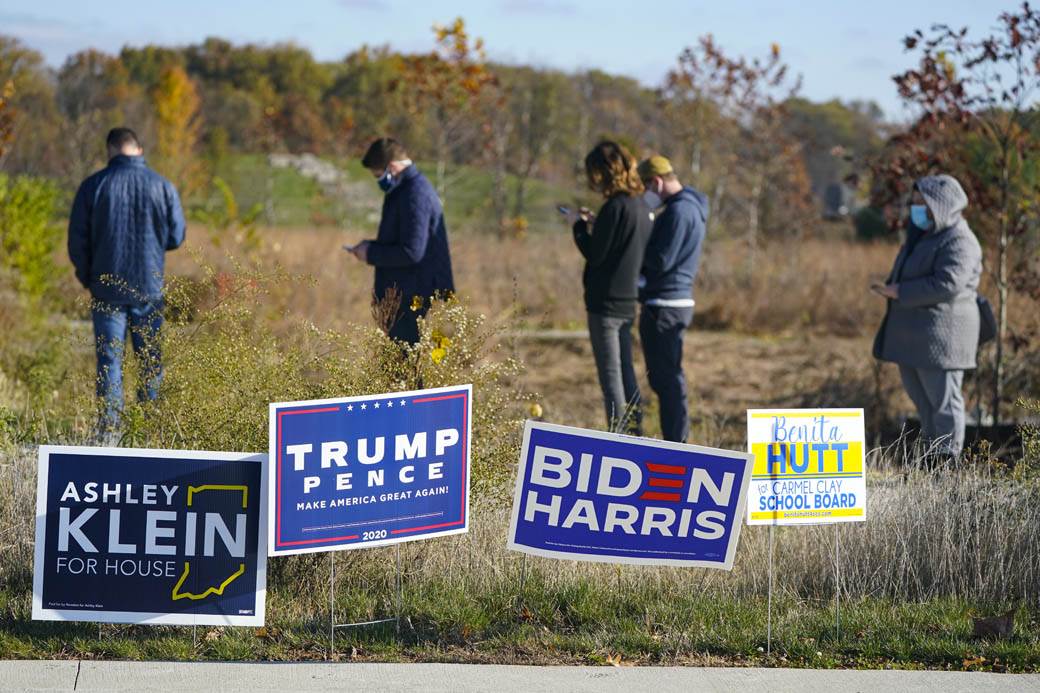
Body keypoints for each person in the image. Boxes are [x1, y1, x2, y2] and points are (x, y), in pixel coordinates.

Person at [68, 127, 185, 436]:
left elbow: (77, 243)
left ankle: (109, 432)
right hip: (149, 289)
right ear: (139, 149)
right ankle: (148, 433)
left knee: (110, 362)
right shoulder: (163, 186)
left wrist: (89, 279)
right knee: (150, 363)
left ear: (110, 150)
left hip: (106, 290)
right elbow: (176, 236)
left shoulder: (93, 186)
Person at [872, 174, 982, 459]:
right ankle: (932, 457)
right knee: (924, 403)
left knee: (944, 403)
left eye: (922, 202)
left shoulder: (960, 240)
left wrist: (900, 291)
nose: (916, 208)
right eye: (915, 202)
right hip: (916, 338)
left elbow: (948, 283)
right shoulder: (924, 237)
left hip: (943, 339)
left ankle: (947, 460)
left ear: (942, 205)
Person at [568, 141, 653, 434]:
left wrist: (578, 226)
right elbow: (621, 244)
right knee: (626, 372)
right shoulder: (641, 207)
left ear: (603, 173)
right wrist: (598, 223)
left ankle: (619, 439)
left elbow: (596, 254)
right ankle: (636, 433)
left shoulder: (614, 207)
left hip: (604, 305)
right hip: (628, 302)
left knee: (611, 377)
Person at [347, 138, 454, 344]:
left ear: (392, 167)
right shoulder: (404, 190)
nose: (379, 181)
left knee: (407, 363)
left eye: (378, 175)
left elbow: (412, 251)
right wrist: (371, 247)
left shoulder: (415, 194)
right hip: (407, 297)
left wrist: (370, 253)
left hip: (414, 301)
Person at [636, 155, 709, 443]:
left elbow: (660, 259)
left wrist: (634, 246)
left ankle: (676, 445)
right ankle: (676, 441)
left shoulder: (678, 212)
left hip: (664, 305)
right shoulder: (690, 207)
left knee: (666, 380)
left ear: (655, 182)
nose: (644, 195)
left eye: (644, 188)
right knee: (667, 379)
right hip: (675, 302)